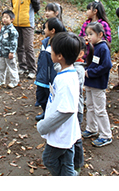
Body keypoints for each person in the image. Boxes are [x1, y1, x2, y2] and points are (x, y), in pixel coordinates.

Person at [37, 32, 81, 176]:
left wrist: (44, 126)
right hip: (67, 131)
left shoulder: (65, 80)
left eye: (52, 49)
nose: (50, 51)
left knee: (49, 159)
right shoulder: (68, 72)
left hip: (61, 132)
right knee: (67, 162)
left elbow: (66, 111)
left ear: (60, 56)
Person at [82, 22, 113, 147]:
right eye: (87, 34)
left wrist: (91, 73)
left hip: (98, 83)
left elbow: (106, 65)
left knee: (100, 109)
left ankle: (106, 135)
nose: (88, 37)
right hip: (90, 82)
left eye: (91, 34)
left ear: (100, 34)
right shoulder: (94, 46)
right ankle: (92, 128)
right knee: (90, 106)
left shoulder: (103, 48)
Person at [34, 17, 65, 122]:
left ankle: (50, 115)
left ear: (53, 30)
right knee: (41, 96)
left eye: (46, 28)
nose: (44, 30)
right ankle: (45, 112)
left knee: (50, 98)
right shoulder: (45, 42)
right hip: (41, 76)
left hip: (51, 78)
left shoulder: (58, 45)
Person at [11, 0, 40, 79]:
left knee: (28, 47)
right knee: (19, 47)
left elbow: (37, 6)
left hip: (28, 24)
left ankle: (32, 69)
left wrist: (29, 17)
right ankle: (23, 67)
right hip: (16, 24)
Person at [73, 36, 93, 174]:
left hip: (75, 109)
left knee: (75, 137)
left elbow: (75, 90)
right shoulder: (73, 66)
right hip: (72, 109)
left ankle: (77, 163)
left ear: (80, 54)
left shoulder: (78, 70)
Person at [0, 10, 19, 89]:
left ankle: (14, 81)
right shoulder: (3, 29)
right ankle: (1, 81)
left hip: (9, 53)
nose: (4, 19)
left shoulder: (12, 30)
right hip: (2, 52)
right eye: (3, 17)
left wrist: (12, 51)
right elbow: (0, 37)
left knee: (12, 68)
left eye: (7, 17)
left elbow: (14, 42)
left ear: (12, 19)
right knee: (1, 67)